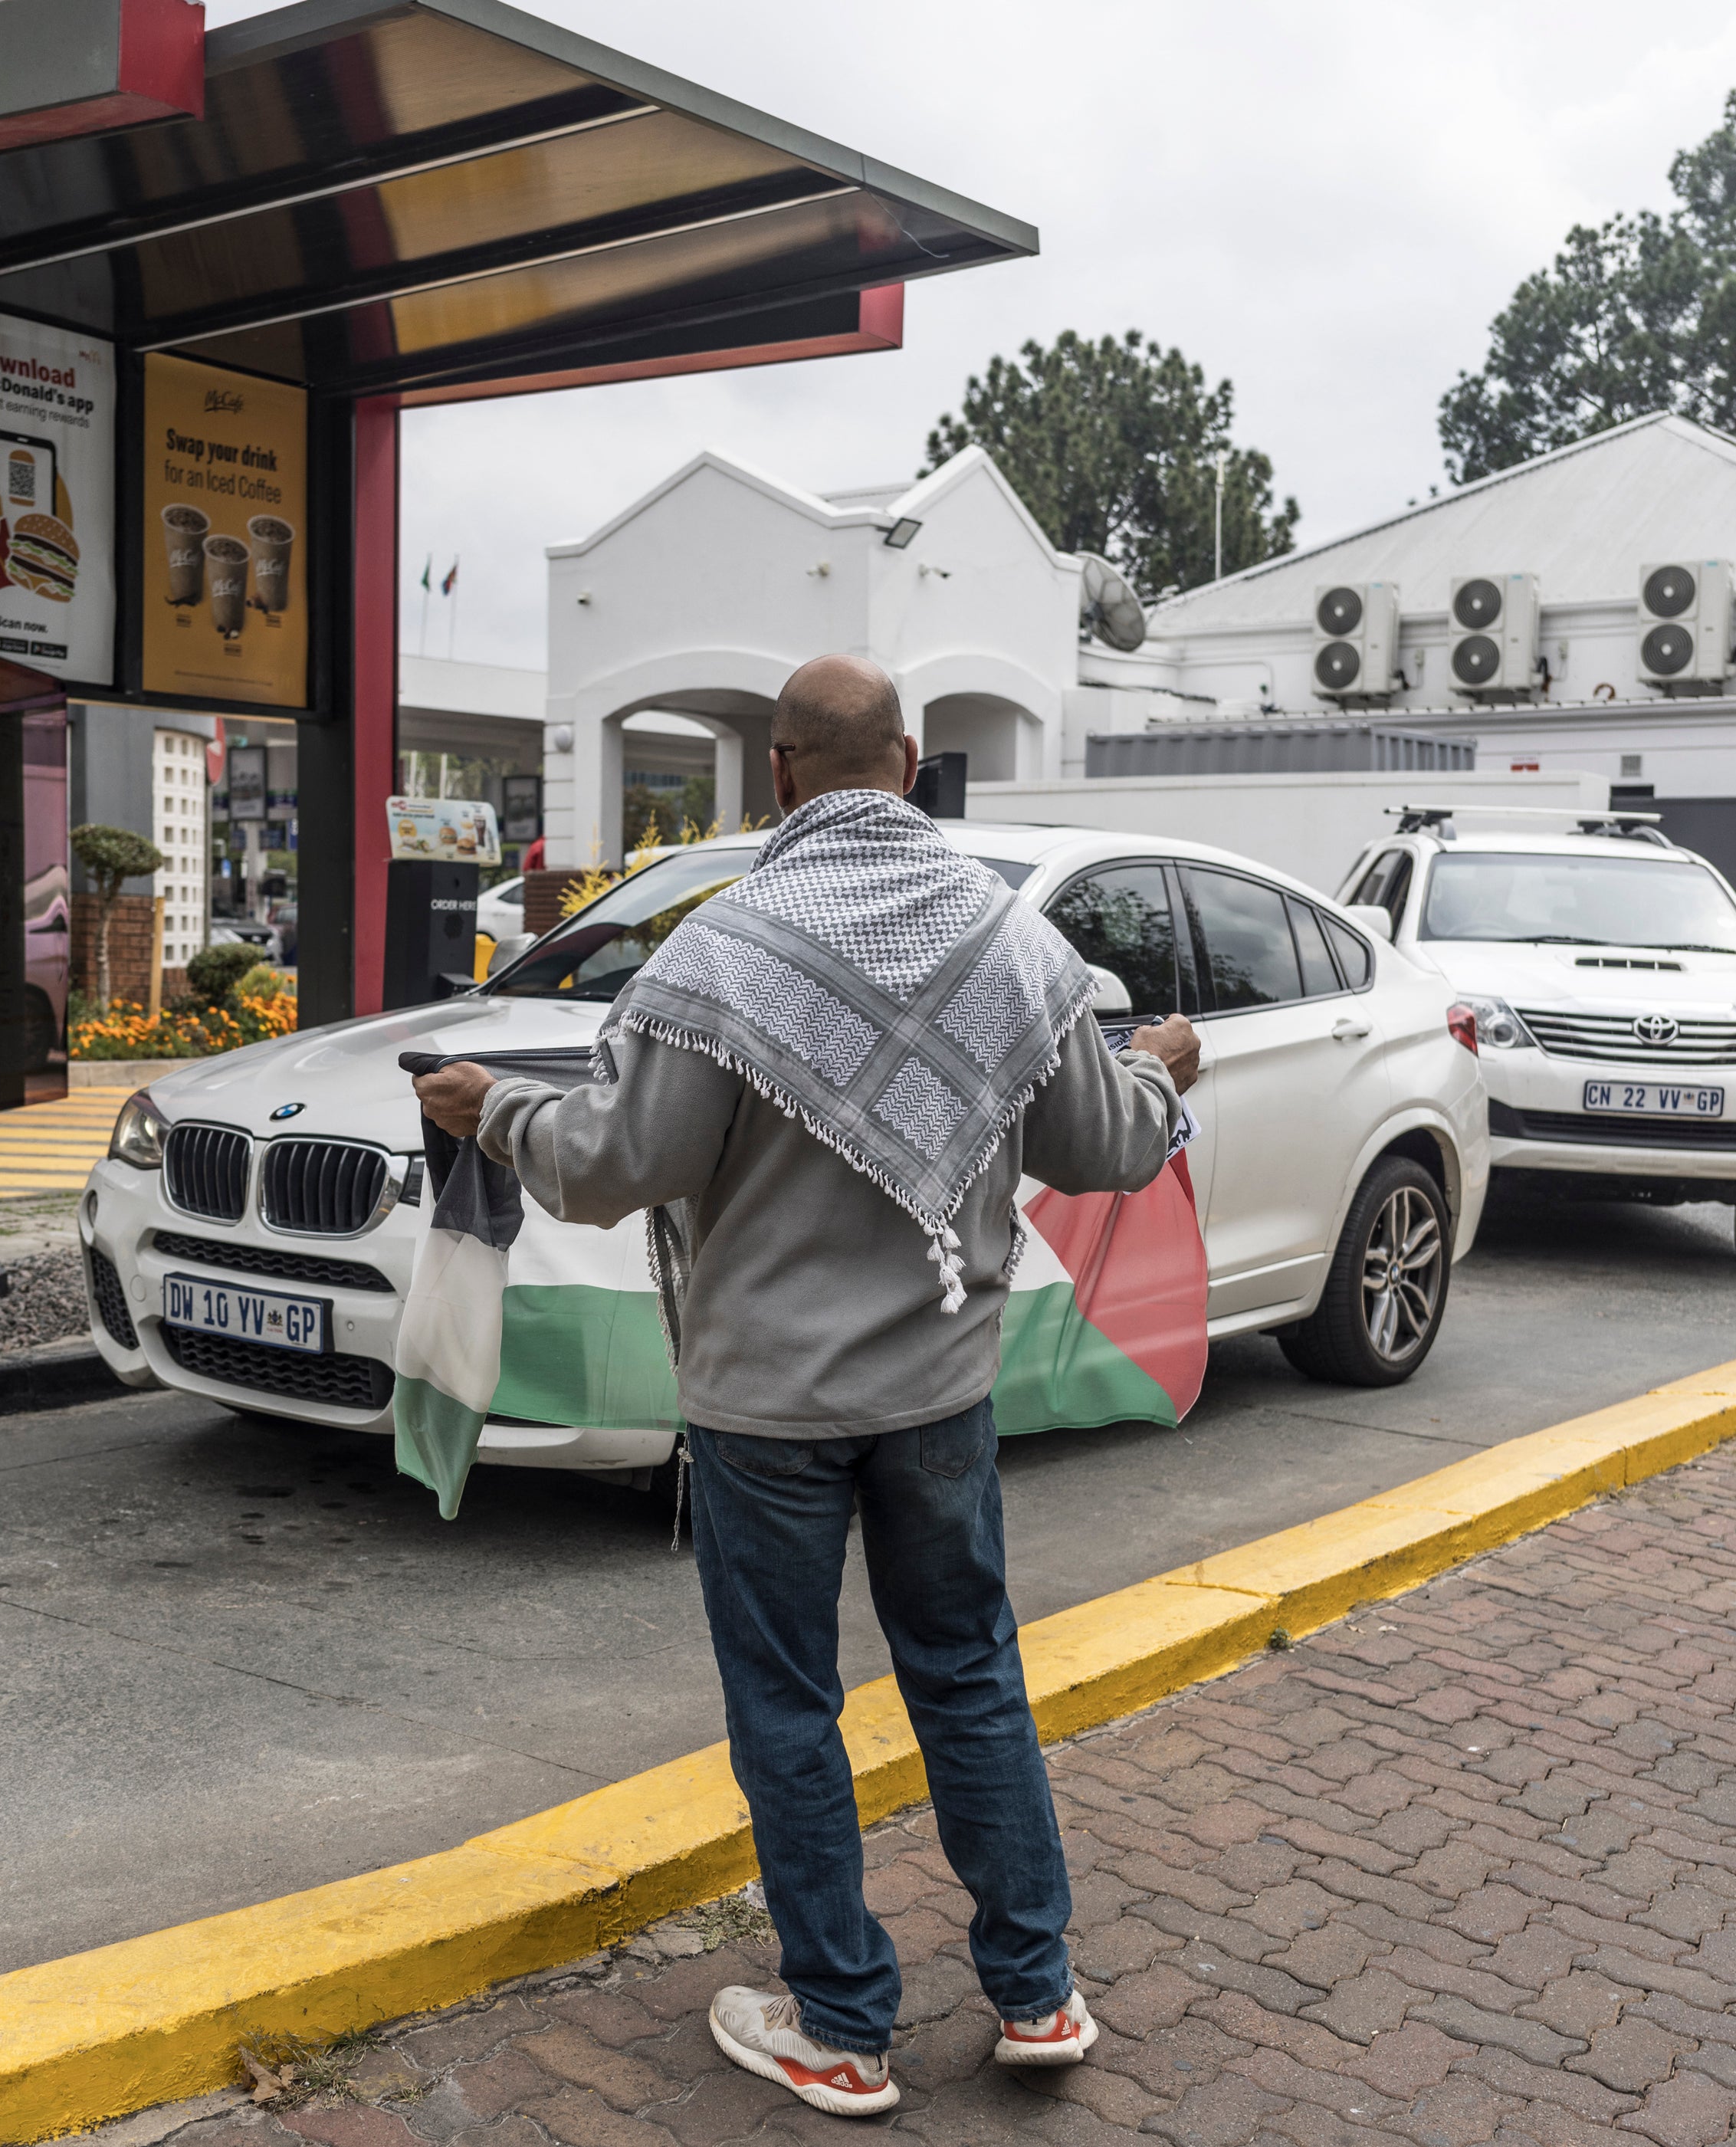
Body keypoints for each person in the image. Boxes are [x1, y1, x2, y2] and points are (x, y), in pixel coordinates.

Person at [412, 654, 1201, 2117]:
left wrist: (491, 1105)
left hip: (764, 1410)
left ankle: (841, 2021)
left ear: (778, 772)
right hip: (941, 1397)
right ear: (908, 761)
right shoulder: (1009, 947)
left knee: (787, 1703)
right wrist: (1163, 1069)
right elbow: (1107, 1144)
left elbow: (608, 1165)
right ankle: (1036, 1994)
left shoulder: (723, 953)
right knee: (969, 1677)